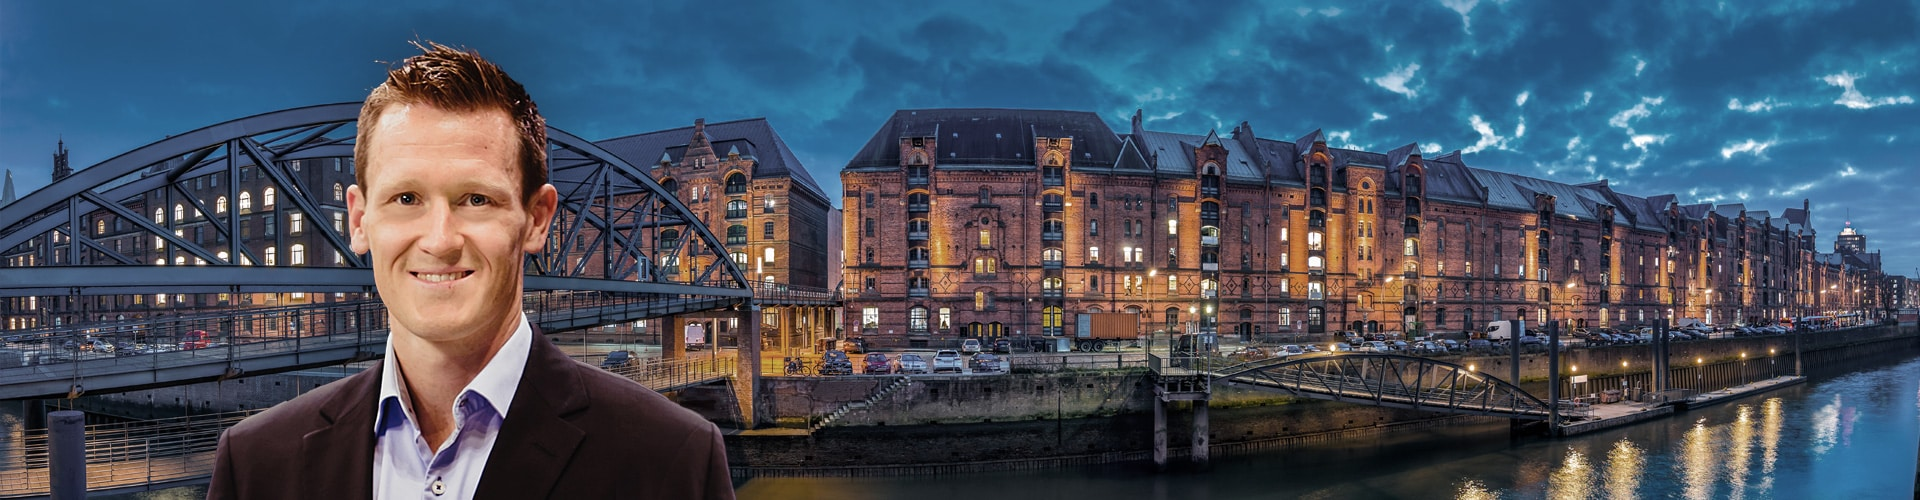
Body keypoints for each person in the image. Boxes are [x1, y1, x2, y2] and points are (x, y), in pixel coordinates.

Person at [209, 42, 735, 499]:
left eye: (476, 199)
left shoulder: (672, 461)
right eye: (406, 197)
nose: (439, 240)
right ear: (360, 220)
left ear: (536, 220)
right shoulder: (255, 463)